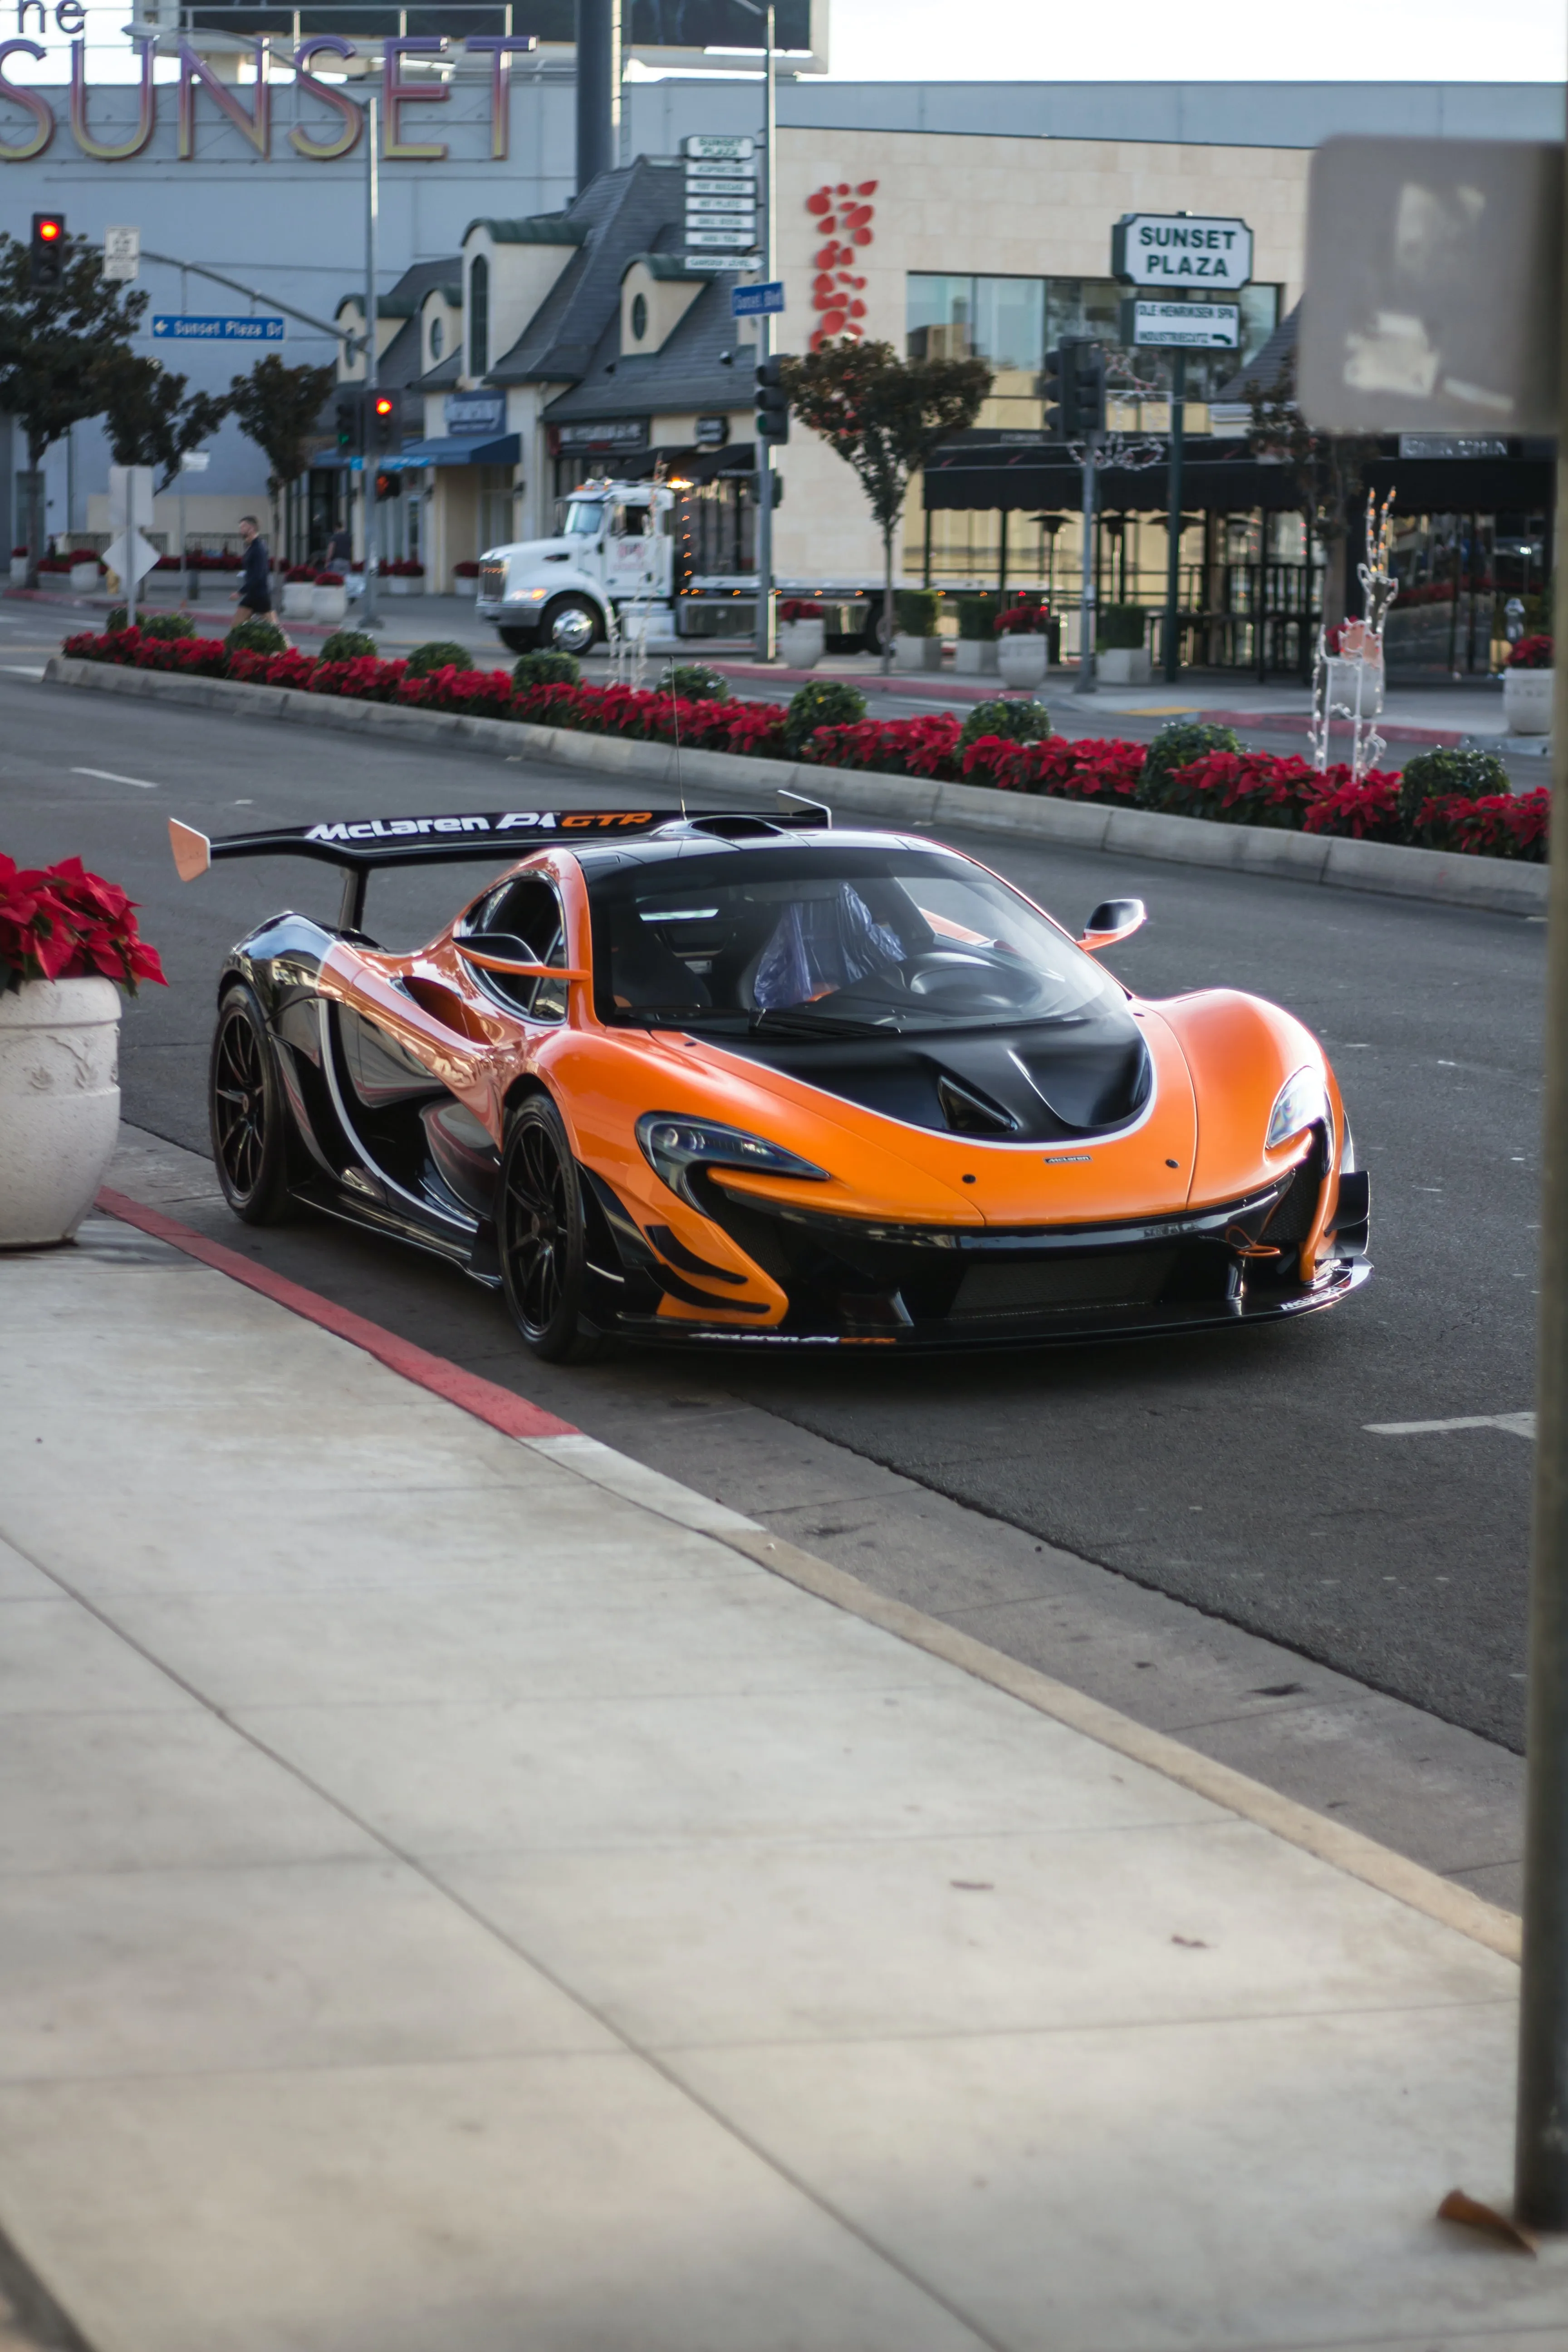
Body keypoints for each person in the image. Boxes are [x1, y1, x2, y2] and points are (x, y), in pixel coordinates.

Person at [234, 516, 274, 625]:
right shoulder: (251, 547)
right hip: (253, 595)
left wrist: (241, 592)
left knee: (275, 630)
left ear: (251, 528)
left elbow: (258, 574)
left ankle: (287, 642)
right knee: (237, 626)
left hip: (260, 595)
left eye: (243, 527)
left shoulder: (259, 548)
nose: (240, 531)